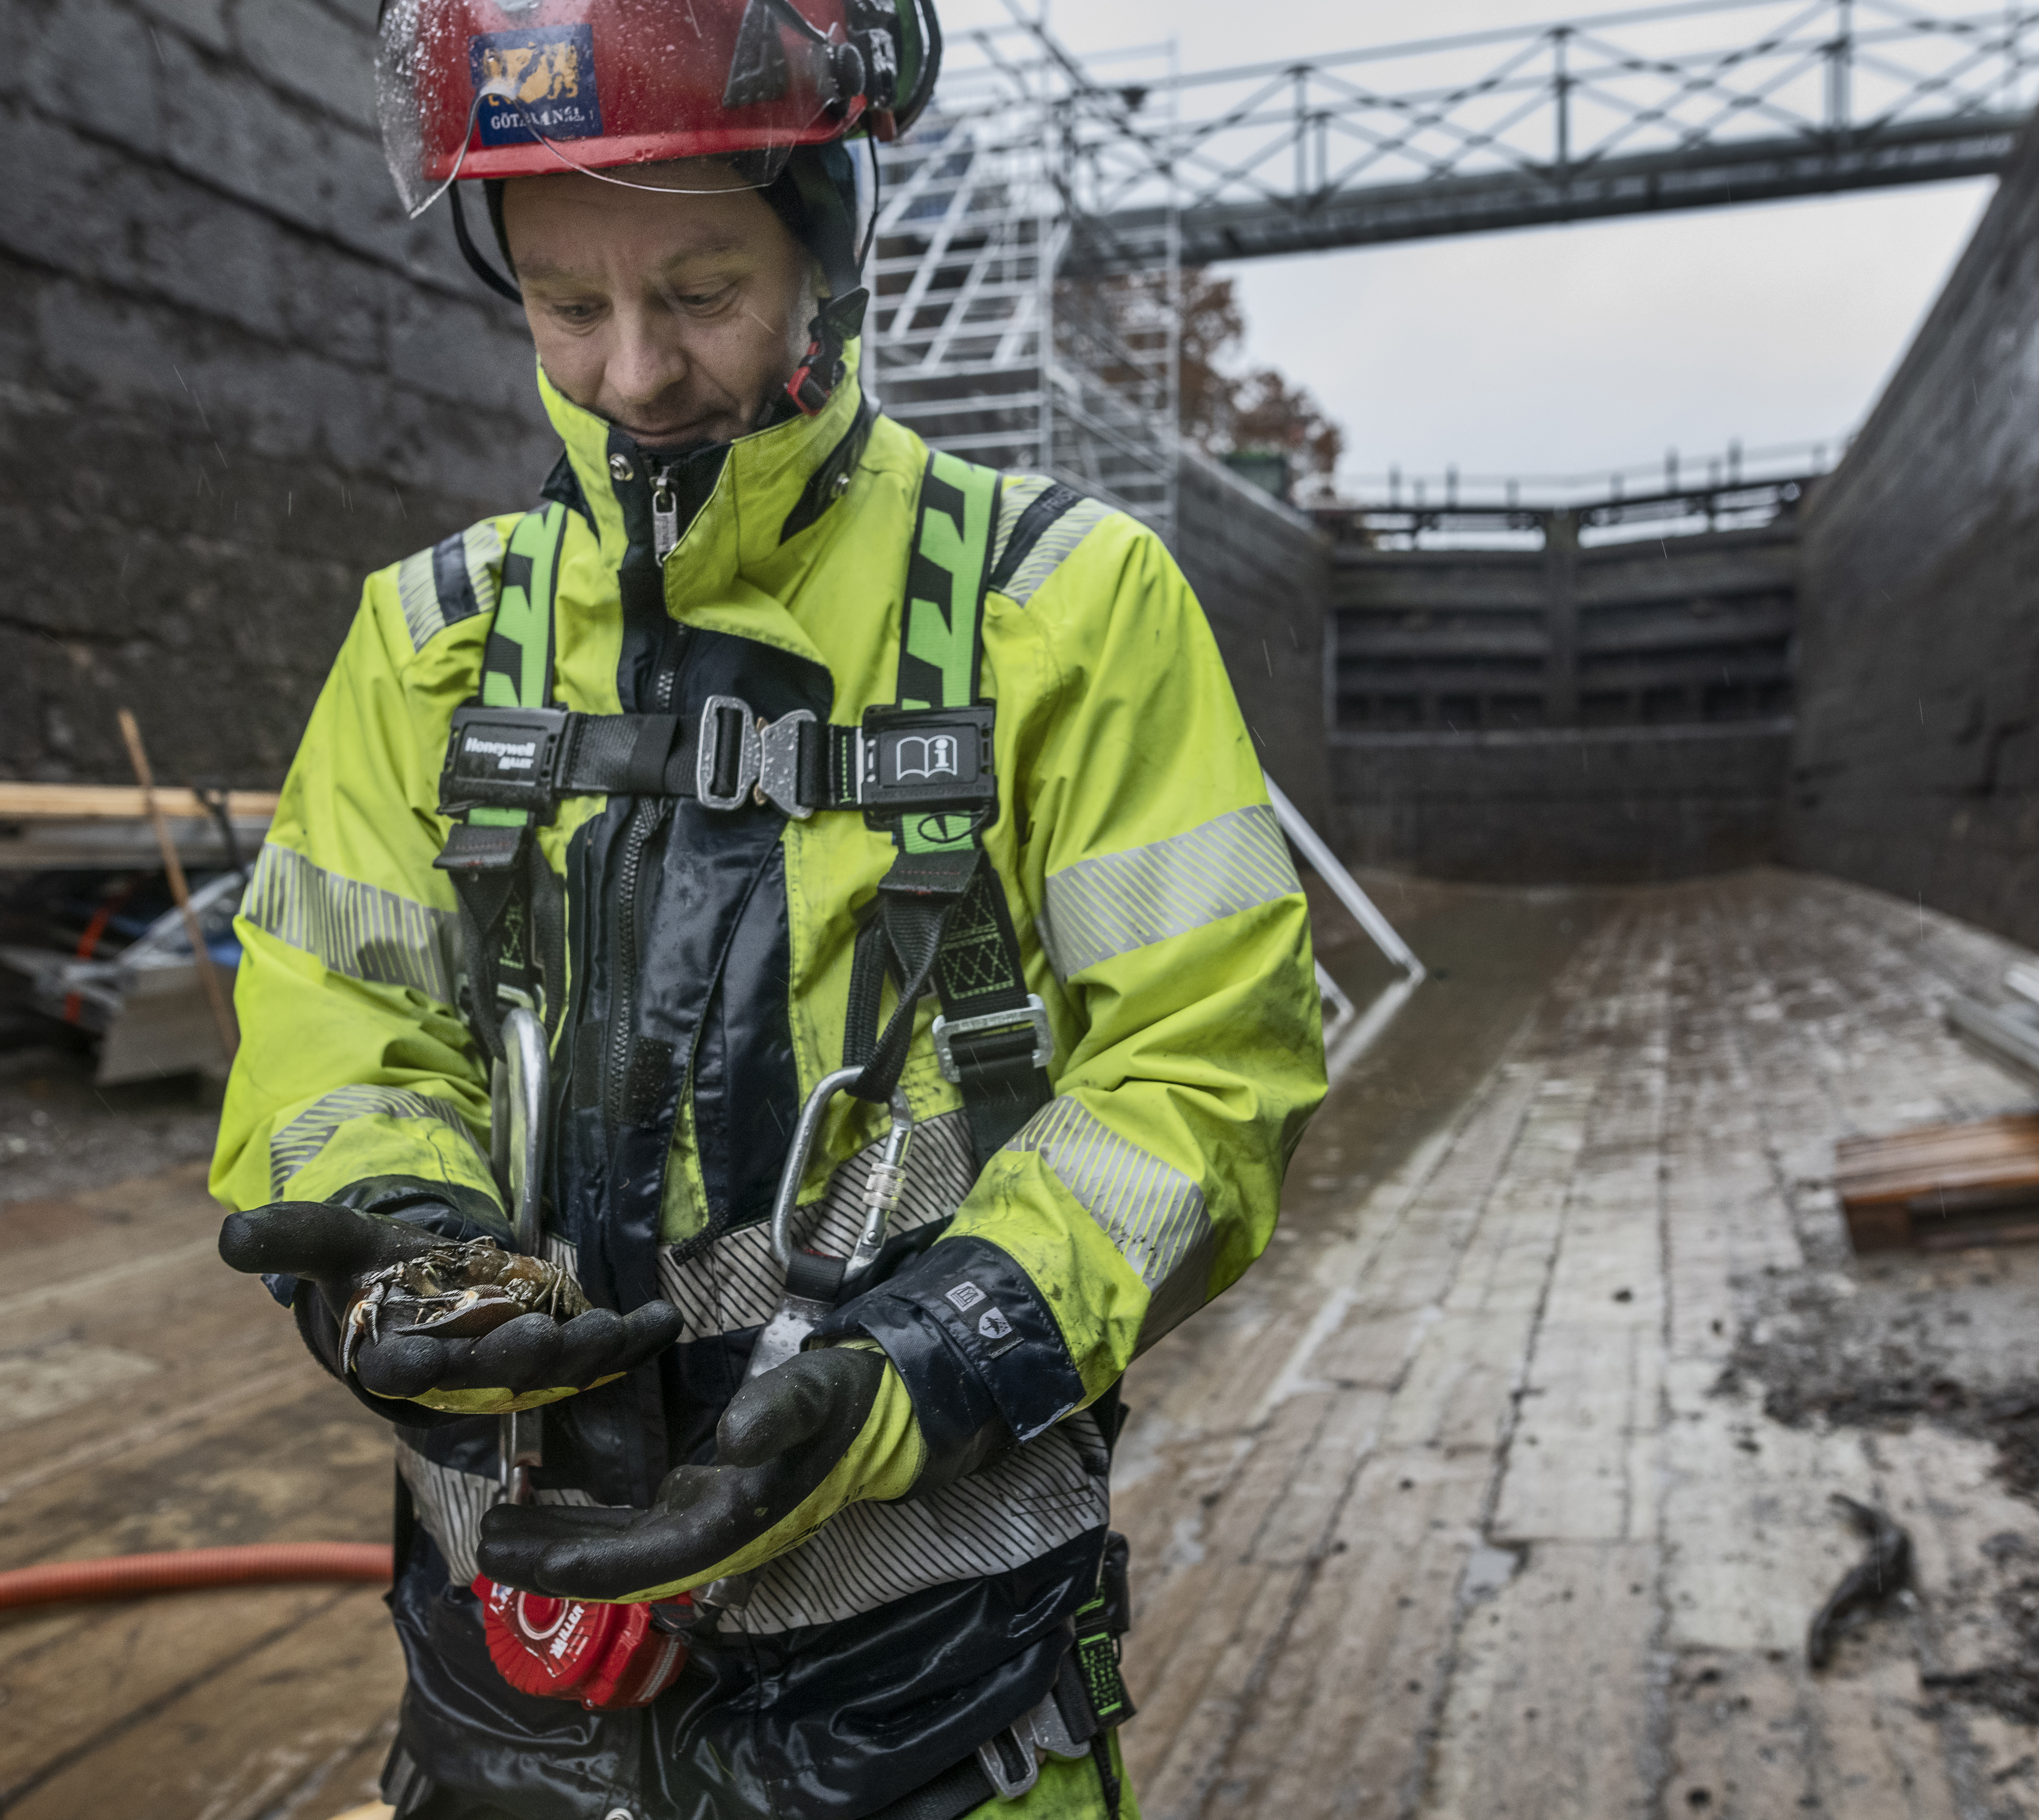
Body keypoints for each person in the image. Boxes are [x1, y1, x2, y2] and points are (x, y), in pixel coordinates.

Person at [208, 2, 1325, 1814]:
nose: (634, 373)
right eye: (568, 305)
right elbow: (340, 1028)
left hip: (939, 1709)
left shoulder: (1070, 611)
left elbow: (1204, 1082)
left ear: (830, 245)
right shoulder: (425, 644)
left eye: (702, 289)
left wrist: (923, 1365)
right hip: (511, 1701)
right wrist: (403, 1243)